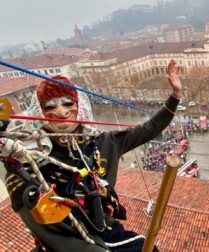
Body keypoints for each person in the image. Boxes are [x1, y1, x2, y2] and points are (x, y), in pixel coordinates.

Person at [4, 59, 182, 251]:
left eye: (67, 103)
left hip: (105, 229)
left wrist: (175, 95)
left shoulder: (104, 144)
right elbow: (47, 231)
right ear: (38, 111)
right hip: (69, 242)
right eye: (50, 107)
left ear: (80, 106)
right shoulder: (29, 162)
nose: (61, 112)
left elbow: (150, 128)